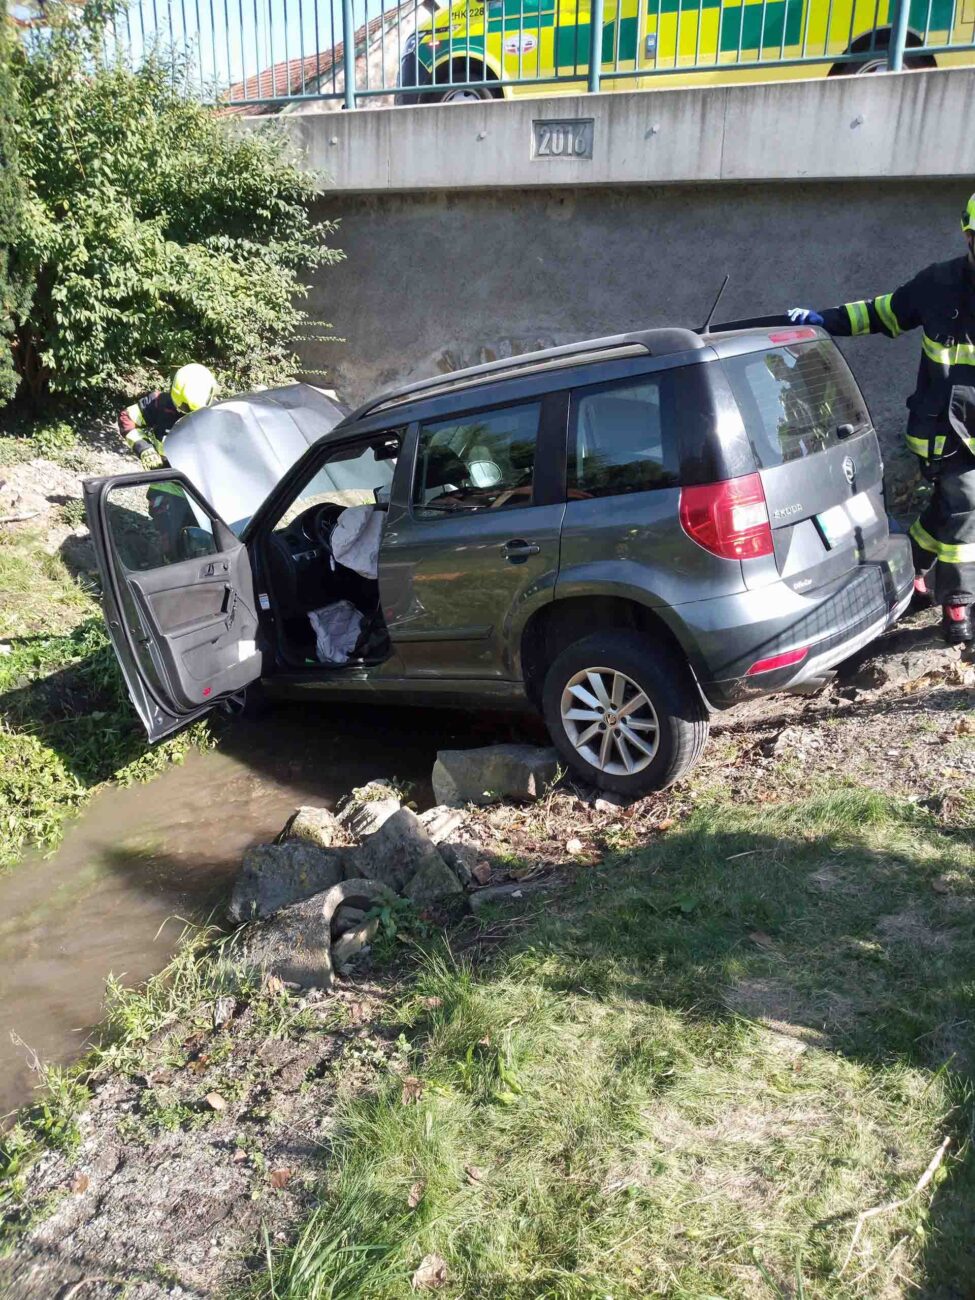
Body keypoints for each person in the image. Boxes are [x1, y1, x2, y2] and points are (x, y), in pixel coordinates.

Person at [788, 194, 975, 645]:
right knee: (967, 506)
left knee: (948, 509)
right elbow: (883, 313)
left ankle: (908, 565)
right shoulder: (940, 284)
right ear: (969, 237)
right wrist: (824, 320)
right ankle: (958, 607)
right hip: (946, 431)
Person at [117, 363, 219, 559]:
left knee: (210, 542)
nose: (189, 415)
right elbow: (127, 418)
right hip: (166, 487)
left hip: (202, 492)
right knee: (173, 544)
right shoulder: (159, 404)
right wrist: (143, 448)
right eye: (185, 409)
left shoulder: (217, 413)